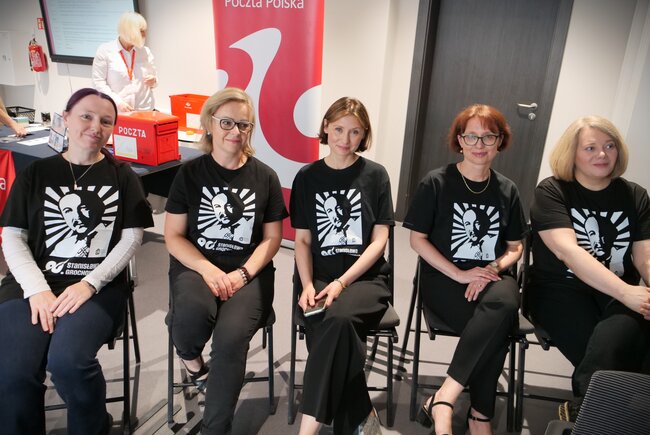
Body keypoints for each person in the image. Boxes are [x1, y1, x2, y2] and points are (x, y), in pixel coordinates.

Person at [0, 88, 153, 435]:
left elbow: (132, 238)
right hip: (31, 285)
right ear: (66, 118)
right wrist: (37, 289)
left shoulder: (122, 176)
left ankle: (94, 427)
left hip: (96, 288)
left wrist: (89, 284)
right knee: (13, 370)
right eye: (86, 116)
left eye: (106, 121)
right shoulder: (36, 174)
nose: (96, 127)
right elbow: (13, 237)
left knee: (68, 363)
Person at [164, 87, 287, 434]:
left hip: (250, 273)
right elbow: (173, 236)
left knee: (231, 340)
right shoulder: (189, 174)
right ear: (209, 123)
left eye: (244, 125)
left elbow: (272, 238)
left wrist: (243, 274)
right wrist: (208, 269)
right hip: (197, 266)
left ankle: (215, 429)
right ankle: (195, 367)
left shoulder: (265, 176)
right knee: (187, 320)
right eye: (227, 122)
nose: (235, 131)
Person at [403, 104, 526, 435]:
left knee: (505, 302)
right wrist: (460, 274)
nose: (479, 144)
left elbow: (515, 247)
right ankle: (480, 416)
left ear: (500, 141)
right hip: (444, 278)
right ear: (459, 140)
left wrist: (490, 268)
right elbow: (417, 240)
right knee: (498, 327)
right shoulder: (436, 182)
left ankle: (444, 397)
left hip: (491, 277)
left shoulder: (508, 190)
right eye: (471, 136)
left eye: (488, 136)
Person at [528, 115, 650, 422]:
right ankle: (601, 415)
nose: (603, 155)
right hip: (560, 291)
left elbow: (644, 257)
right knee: (617, 359)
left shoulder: (635, 195)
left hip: (617, 292)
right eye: (591, 148)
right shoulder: (552, 191)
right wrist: (627, 294)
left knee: (627, 340)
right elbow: (568, 253)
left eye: (610, 146)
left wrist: (635, 291)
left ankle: (583, 413)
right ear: (572, 153)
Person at [290, 97, 394, 435]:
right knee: (331, 326)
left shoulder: (375, 175)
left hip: (365, 279)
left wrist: (342, 282)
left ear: (364, 135)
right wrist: (308, 284)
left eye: (354, 132)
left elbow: (379, 242)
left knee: (335, 321)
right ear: (325, 127)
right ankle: (361, 414)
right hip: (318, 276)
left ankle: (307, 430)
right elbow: (302, 241)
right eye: (338, 129)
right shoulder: (307, 177)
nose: (345, 139)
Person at [92, 12, 157, 112]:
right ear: (128, 31)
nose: (144, 34)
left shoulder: (145, 51)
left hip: (146, 110)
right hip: (119, 112)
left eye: (144, 31)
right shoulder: (105, 51)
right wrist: (118, 103)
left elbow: (154, 79)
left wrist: (154, 81)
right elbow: (98, 83)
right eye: (141, 31)